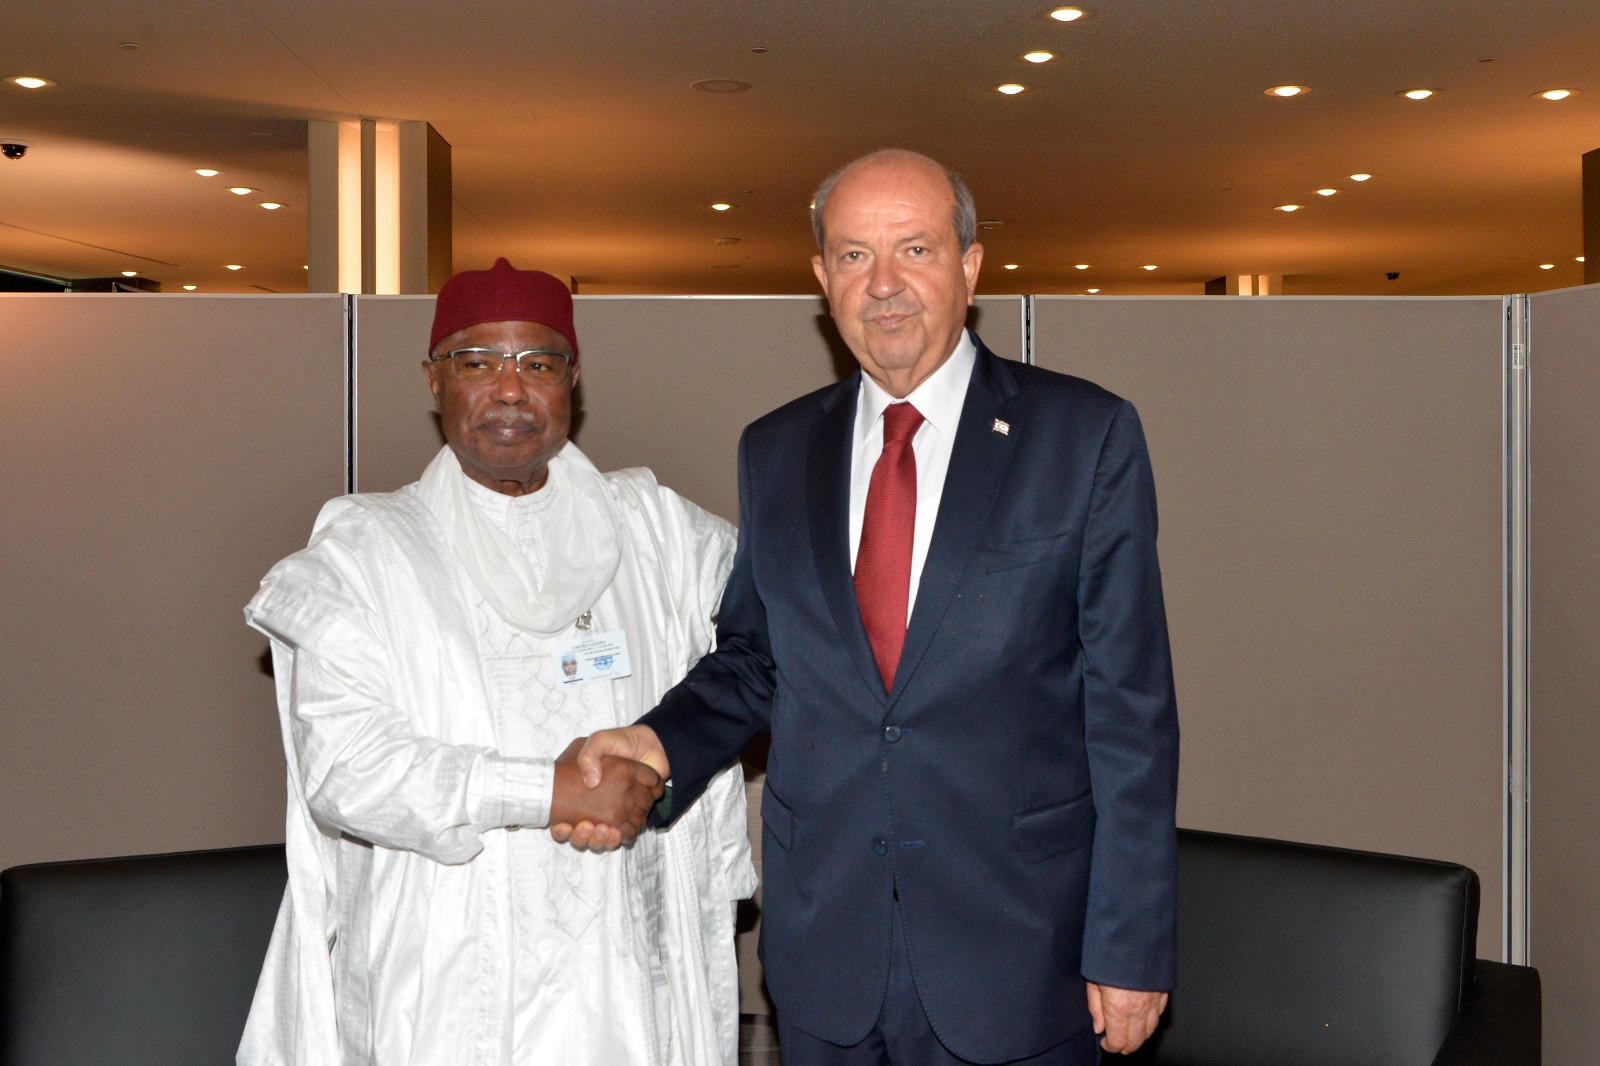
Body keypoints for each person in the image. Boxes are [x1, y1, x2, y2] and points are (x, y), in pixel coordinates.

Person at [563, 150, 1179, 1065]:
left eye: (915, 249)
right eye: (854, 255)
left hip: (1021, 952)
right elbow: (758, 658)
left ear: (970, 267)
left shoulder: (1082, 436)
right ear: (822, 279)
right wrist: (656, 742)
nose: (883, 283)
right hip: (827, 953)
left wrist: (1130, 945)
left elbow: (1131, 710)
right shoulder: (777, 449)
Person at [238, 259, 755, 1066]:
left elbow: (782, 638)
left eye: (538, 363)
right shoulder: (365, 553)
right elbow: (346, 767)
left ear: (572, 380)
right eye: (477, 362)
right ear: (434, 379)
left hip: (628, 979)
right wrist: (547, 789)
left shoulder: (659, 535)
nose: (510, 390)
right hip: (449, 980)